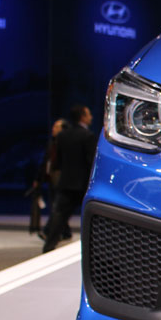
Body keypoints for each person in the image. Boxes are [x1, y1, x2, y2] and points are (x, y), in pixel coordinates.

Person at [42, 105, 96, 253]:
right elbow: (91, 162)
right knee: (91, 219)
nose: (90, 117)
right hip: (83, 184)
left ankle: (48, 248)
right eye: (89, 114)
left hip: (65, 182)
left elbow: (57, 162)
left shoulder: (62, 136)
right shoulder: (88, 136)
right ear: (83, 117)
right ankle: (93, 251)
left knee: (58, 216)